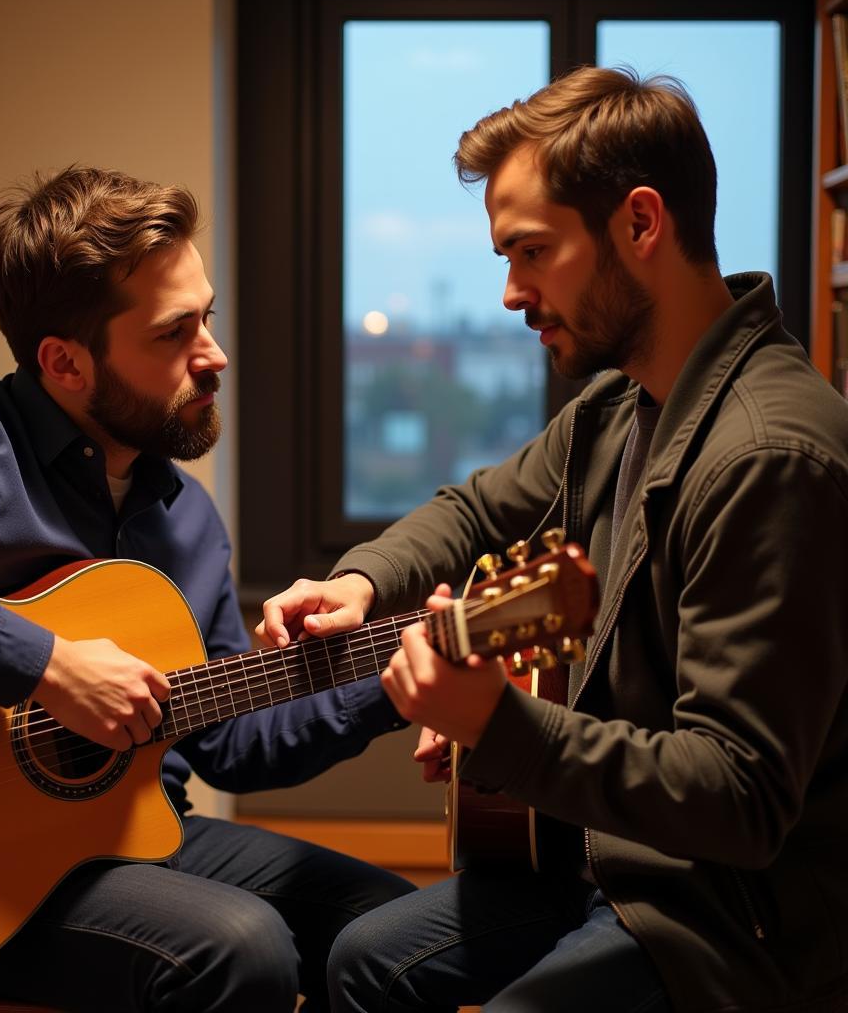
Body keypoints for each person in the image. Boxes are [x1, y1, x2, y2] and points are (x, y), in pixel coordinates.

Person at [259, 66, 848, 1012]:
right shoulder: (619, 407)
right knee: (362, 961)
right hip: (606, 862)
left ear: (641, 225)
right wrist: (363, 582)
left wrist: (499, 726)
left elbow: (739, 797)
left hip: (728, 923)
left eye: (531, 252)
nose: (508, 292)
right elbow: (474, 511)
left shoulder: (769, 456)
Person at [0, 166, 414, 1012]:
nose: (213, 355)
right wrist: (45, 665)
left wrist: (397, 679)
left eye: (207, 318)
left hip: (131, 839)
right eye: (175, 334)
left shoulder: (182, 514)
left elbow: (234, 742)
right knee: (240, 948)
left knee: (389, 934)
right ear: (65, 362)